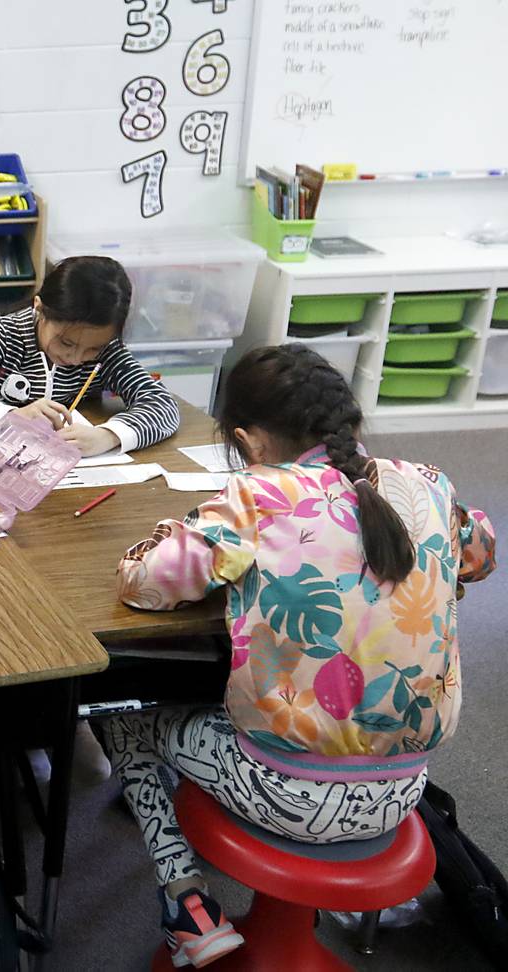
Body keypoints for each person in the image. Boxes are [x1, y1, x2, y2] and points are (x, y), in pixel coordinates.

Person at [103, 344, 495, 968]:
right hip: (403, 788)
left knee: (117, 708)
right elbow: (478, 555)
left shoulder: (257, 497)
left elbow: (145, 583)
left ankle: (186, 899)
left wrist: (163, 536)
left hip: (285, 792)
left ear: (248, 441)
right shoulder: (430, 484)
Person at [0, 255, 180, 456]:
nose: (76, 358)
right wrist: (10, 417)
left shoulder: (109, 352)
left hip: (71, 478)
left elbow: (162, 404)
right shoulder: (4, 335)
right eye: (66, 342)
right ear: (39, 309)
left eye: (93, 349)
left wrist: (108, 435)